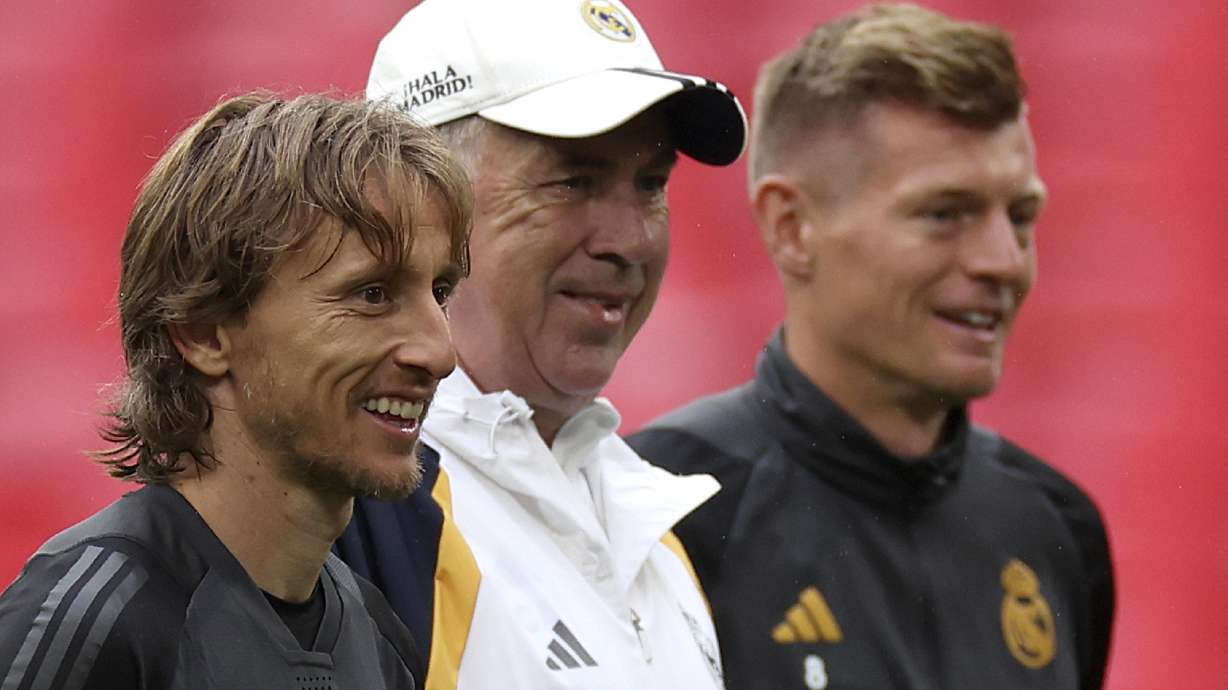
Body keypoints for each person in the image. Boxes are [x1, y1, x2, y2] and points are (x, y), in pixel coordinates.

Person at [627, 4, 1115, 689]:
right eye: (944, 214)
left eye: (1021, 215)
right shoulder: (655, 511)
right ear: (791, 227)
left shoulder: (1054, 526)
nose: (1004, 261)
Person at [333, 0, 746, 687]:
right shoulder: (343, 514)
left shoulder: (652, 526)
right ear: (415, 203)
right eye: (573, 181)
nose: (631, 240)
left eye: (651, 185)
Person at [0, 92, 473, 689]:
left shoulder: (382, 643)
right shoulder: (93, 624)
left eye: (441, 292)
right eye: (371, 294)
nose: (439, 353)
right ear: (203, 332)